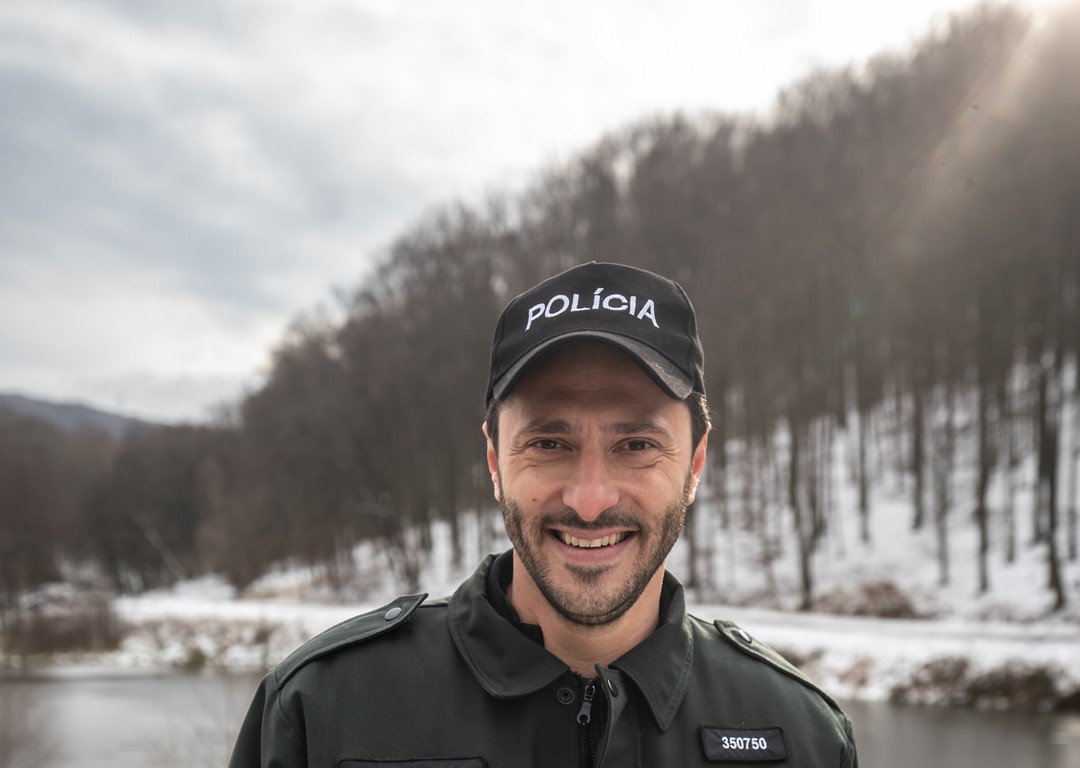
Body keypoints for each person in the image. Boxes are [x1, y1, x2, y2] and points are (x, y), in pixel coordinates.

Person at [228, 261, 859, 767]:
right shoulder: (321, 709)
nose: (590, 499)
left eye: (636, 444)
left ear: (694, 464)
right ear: (495, 461)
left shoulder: (803, 735)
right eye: (549, 443)